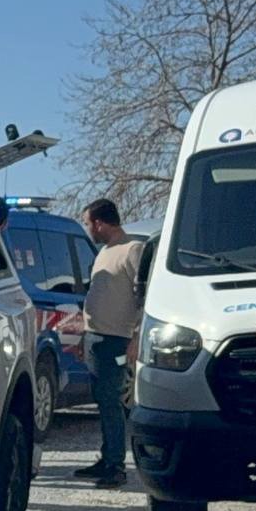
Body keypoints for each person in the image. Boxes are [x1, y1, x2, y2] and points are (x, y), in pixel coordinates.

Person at [73, 199, 147, 488]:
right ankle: (106, 458)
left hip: (118, 342)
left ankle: (116, 467)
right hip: (96, 340)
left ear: (100, 223)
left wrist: (137, 337)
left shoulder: (132, 250)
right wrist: (84, 333)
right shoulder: (103, 253)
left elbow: (144, 296)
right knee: (102, 401)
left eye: (88, 223)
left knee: (113, 401)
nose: (88, 229)